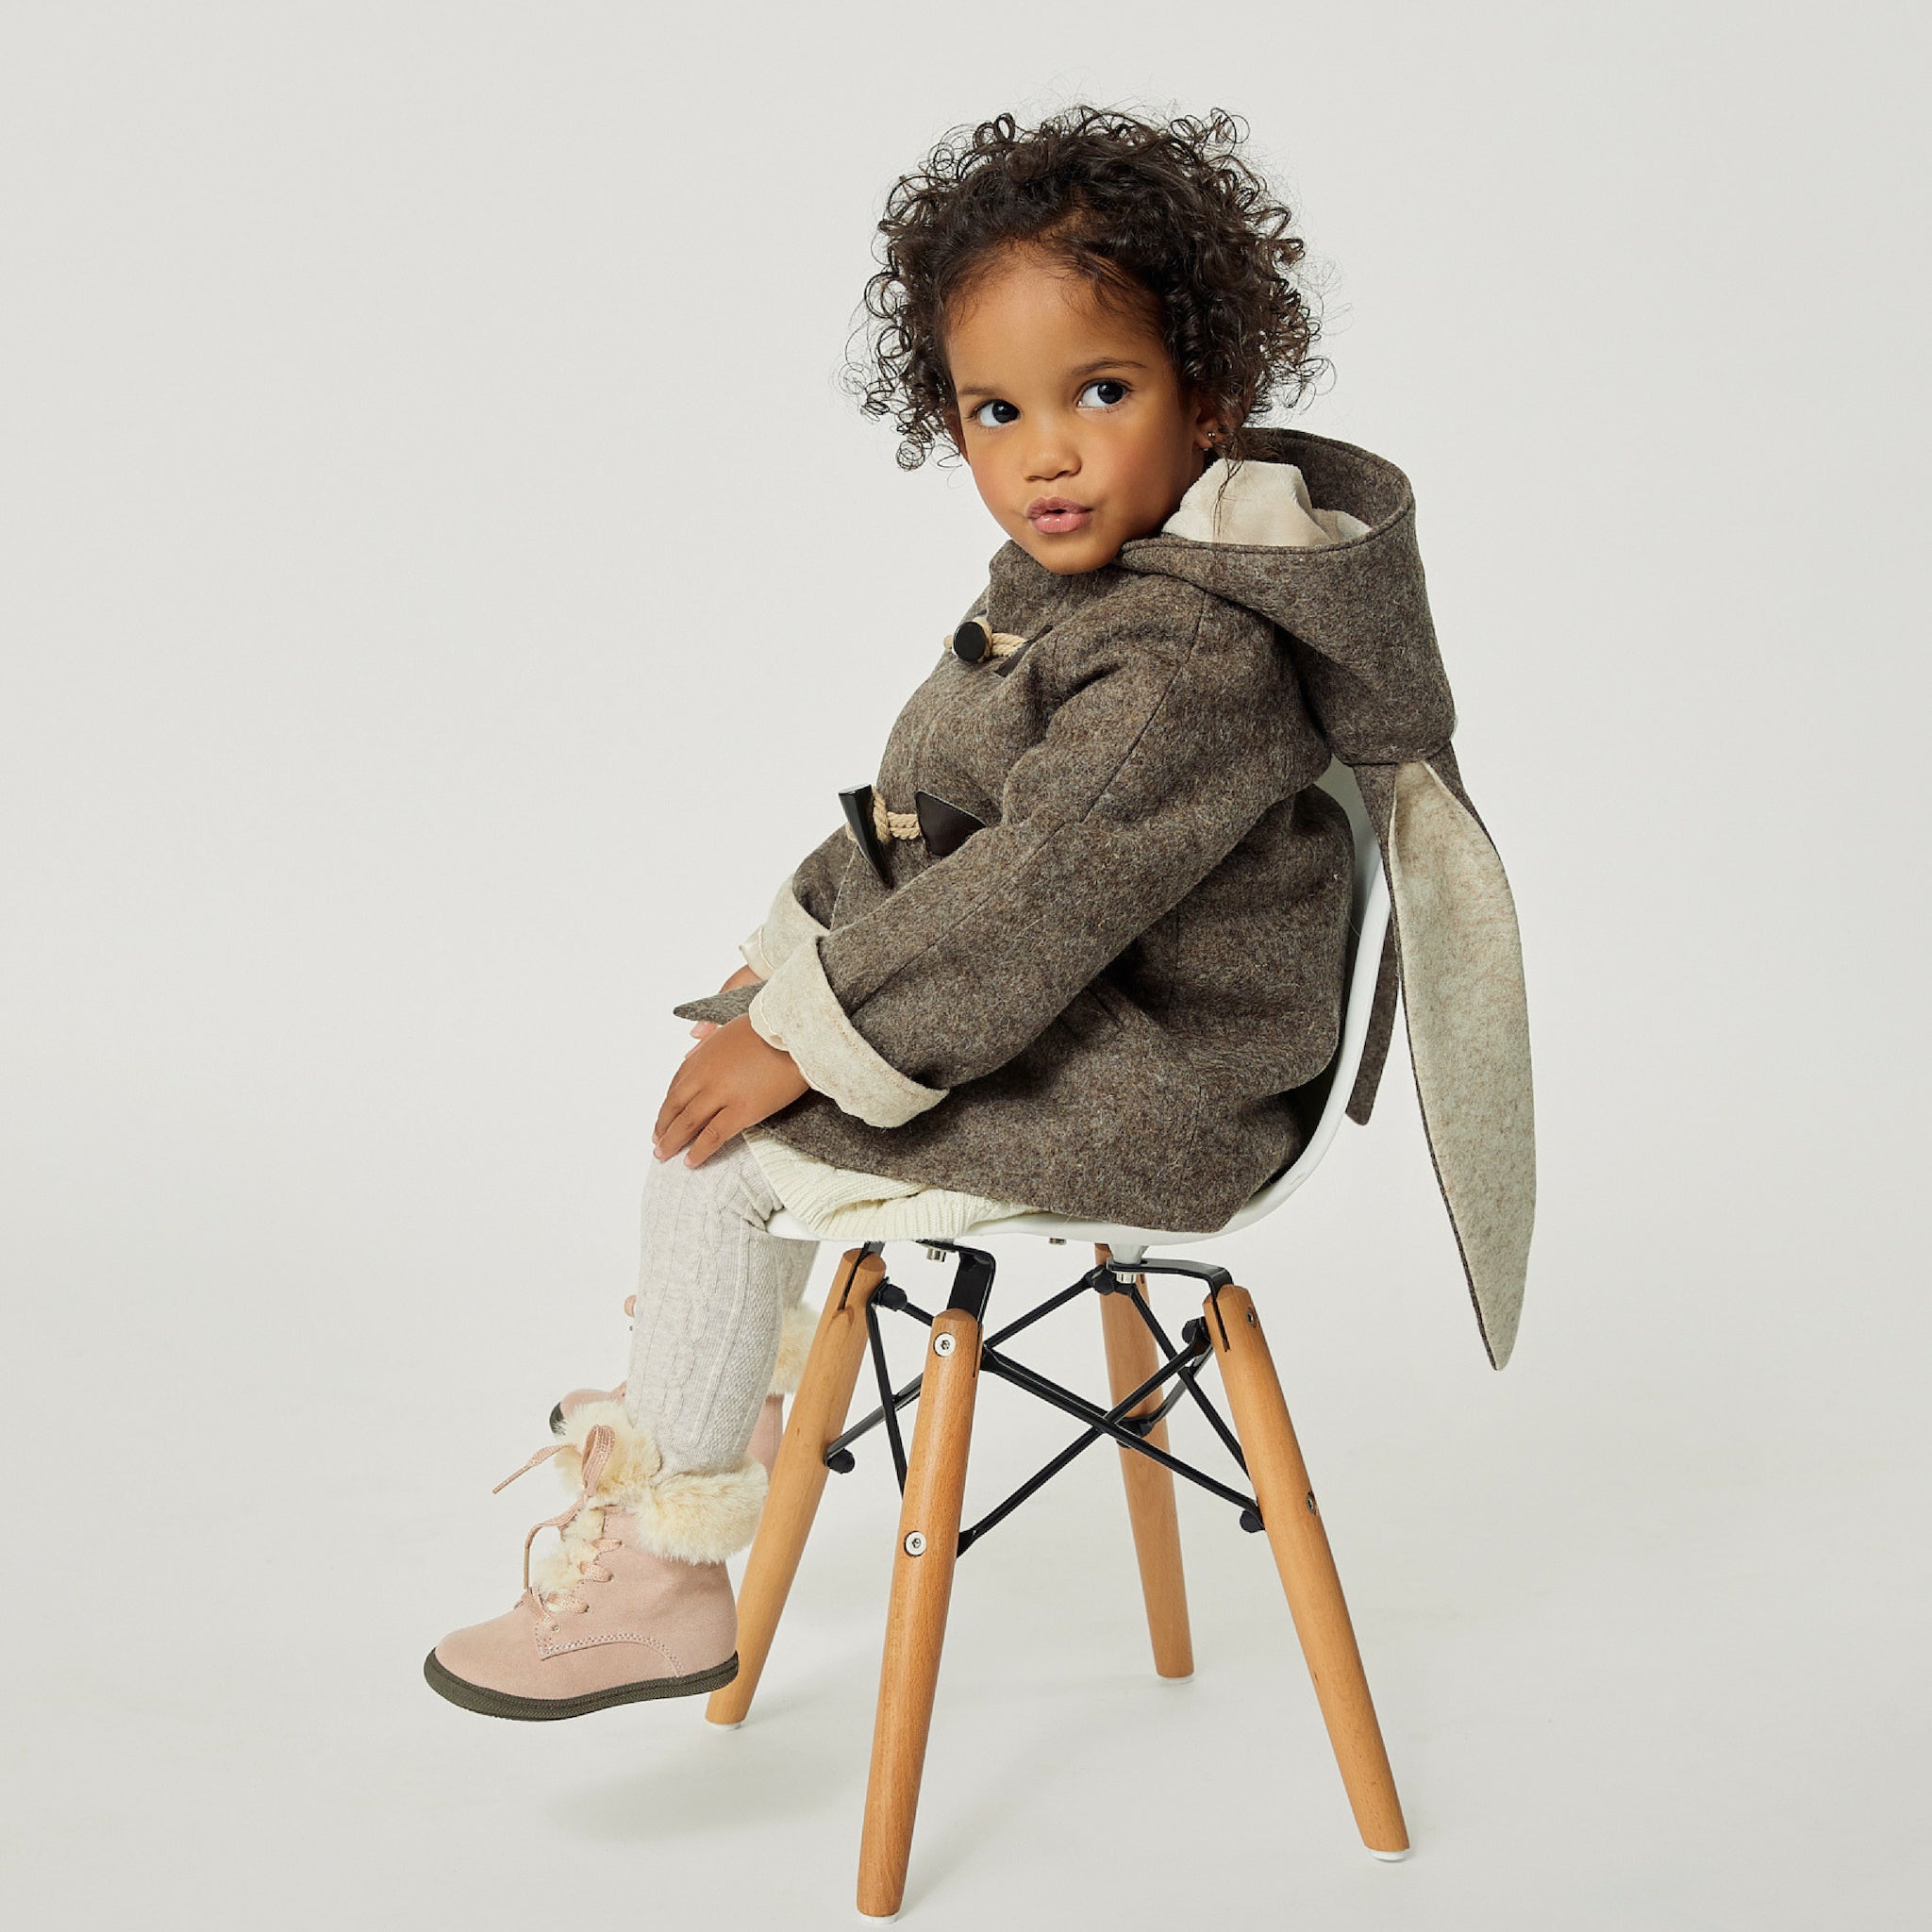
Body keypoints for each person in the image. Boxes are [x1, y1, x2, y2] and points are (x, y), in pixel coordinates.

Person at [425, 106, 1534, 1722]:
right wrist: (788, 954)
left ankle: (665, 1572)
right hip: (1092, 1016)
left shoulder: (1179, 665)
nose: (1047, 452)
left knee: (724, 1154)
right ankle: (711, 1402)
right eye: (994, 410)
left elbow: (1026, 895)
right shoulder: (1077, 598)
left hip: (1176, 1087)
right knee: (730, 1065)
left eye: (1103, 391)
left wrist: (810, 1037)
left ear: (1209, 397)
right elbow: (932, 817)